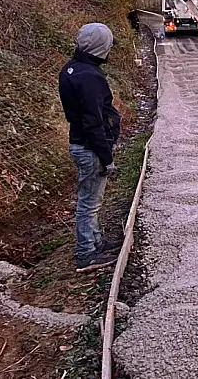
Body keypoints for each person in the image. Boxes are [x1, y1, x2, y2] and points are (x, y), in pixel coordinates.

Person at [58, 23, 123, 272]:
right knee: (89, 203)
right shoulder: (90, 77)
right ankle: (86, 252)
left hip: (81, 144)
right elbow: (93, 121)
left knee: (91, 200)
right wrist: (107, 157)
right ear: (100, 46)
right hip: (90, 148)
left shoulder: (72, 70)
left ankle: (96, 242)